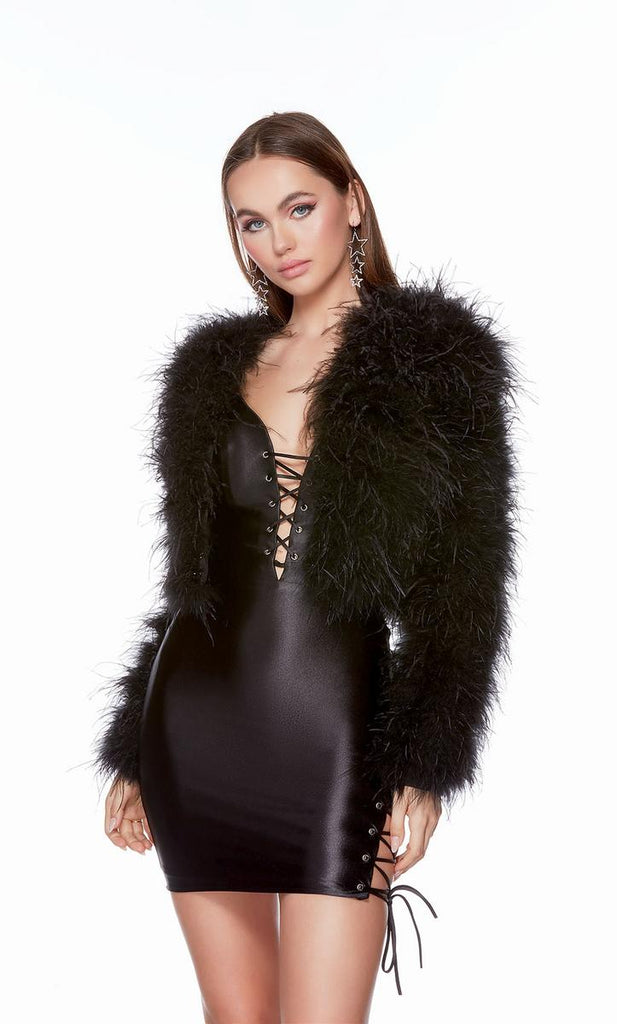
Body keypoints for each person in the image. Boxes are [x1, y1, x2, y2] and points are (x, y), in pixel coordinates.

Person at [92, 111, 519, 1023]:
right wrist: (131, 748)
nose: (278, 241)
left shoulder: (438, 363)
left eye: (298, 207)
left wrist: (427, 761)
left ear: (351, 202)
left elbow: (464, 587)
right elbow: (190, 583)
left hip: (338, 736)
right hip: (197, 729)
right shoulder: (209, 373)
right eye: (251, 221)